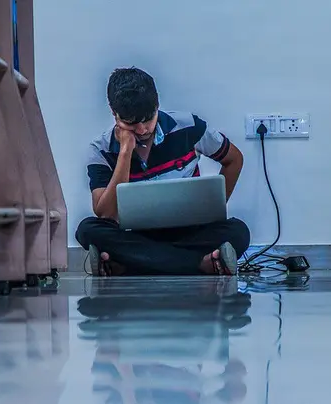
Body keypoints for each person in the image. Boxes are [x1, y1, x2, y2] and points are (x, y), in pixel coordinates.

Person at [76, 67, 250, 276]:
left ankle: (130, 265)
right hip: (135, 235)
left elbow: (234, 159)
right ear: (114, 114)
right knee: (88, 230)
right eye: (131, 123)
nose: (142, 130)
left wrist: (213, 208)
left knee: (239, 232)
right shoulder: (101, 149)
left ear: (157, 104)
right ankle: (199, 263)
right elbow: (105, 213)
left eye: (148, 119)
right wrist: (124, 152)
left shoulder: (189, 126)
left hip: (189, 231)